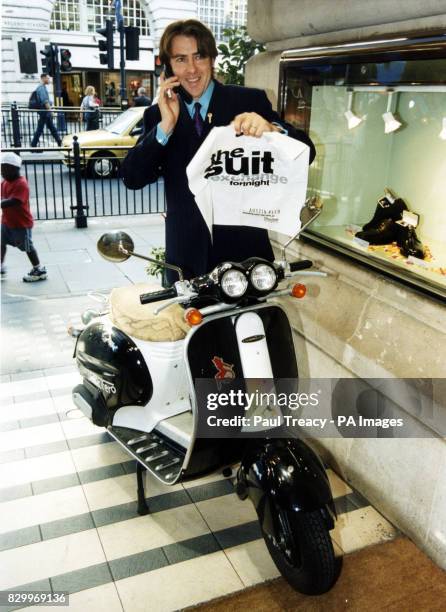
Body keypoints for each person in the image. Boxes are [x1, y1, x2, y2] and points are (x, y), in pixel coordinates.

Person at [121, 19, 315, 284]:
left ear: (212, 58)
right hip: (185, 264)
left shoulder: (248, 101)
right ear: (168, 66)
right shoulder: (158, 114)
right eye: (180, 59)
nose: (191, 69)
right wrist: (166, 127)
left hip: (245, 262)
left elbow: (306, 153)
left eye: (199, 56)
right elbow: (132, 178)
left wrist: (273, 130)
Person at [1, 152, 47, 282]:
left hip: (21, 224)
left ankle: (39, 269)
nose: (2, 172)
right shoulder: (4, 183)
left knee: (27, 247)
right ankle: (0, 267)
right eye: (1, 169)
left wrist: (1, 203)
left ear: (14, 169)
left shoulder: (21, 184)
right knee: (1, 242)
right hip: (6, 222)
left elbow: (15, 201)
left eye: (4, 169)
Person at [30, 74, 62, 148]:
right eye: (48, 78)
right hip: (44, 112)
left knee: (51, 128)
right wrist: (51, 112)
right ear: (43, 78)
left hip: (45, 112)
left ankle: (59, 142)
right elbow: (45, 102)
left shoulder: (42, 87)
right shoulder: (41, 88)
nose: (49, 80)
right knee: (41, 129)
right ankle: (33, 145)